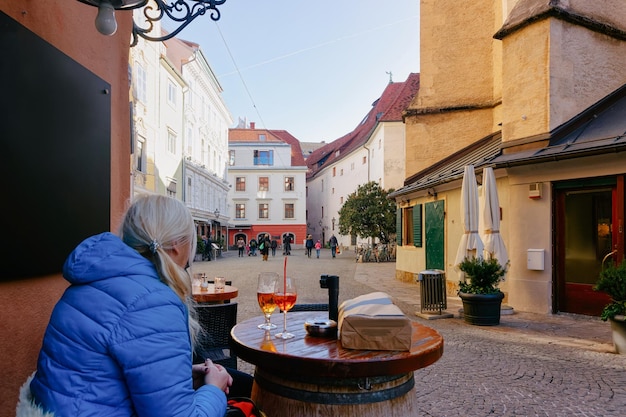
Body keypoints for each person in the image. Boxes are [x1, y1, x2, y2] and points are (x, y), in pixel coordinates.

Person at [25, 195, 248, 417]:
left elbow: (101, 374)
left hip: (65, 407)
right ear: (177, 245)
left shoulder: (92, 280)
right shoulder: (153, 302)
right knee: (247, 392)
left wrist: (182, 378)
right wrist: (214, 390)